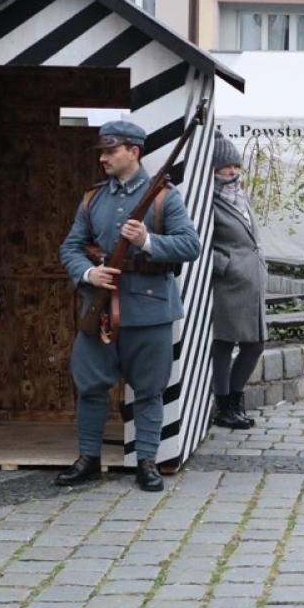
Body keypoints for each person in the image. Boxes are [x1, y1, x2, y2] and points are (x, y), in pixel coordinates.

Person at [55, 120, 202, 491]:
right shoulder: (93, 198)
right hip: (100, 306)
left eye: (111, 151)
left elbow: (190, 246)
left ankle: (147, 462)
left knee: (150, 389)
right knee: (90, 385)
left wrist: (149, 241)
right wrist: (89, 275)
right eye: (102, 151)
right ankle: (88, 457)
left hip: (150, 308)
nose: (103, 157)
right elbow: (70, 247)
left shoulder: (165, 197)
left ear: (133, 152)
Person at [206, 135, 263, 431]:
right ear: (212, 168)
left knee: (255, 345)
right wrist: (225, 263)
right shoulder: (206, 202)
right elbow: (200, 244)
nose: (231, 171)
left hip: (251, 284)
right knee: (224, 345)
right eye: (225, 166)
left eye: (235, 164)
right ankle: (225, 406)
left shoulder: (240, 196)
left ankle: (233, 399)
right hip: (228, 285)